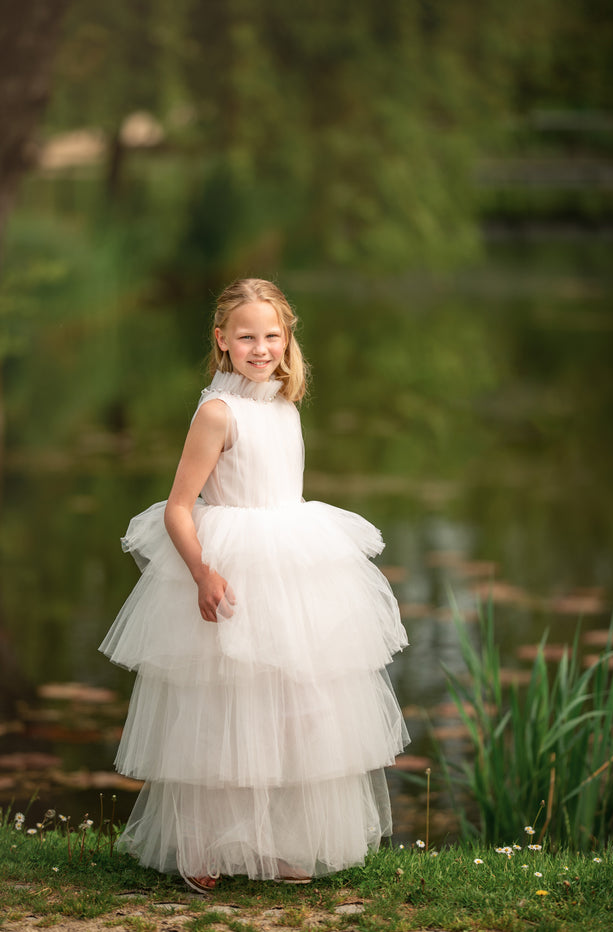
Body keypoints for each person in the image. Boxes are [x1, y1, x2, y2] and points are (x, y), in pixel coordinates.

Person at [100, 278, 409, 892]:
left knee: (293, 708)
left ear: (288, 340)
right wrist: (201, 572)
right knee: (220, 707)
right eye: (246, 336)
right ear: (222, 341)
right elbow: (178, 508)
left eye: (272, 335)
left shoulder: (283, 404)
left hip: (291, 564)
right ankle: (200, 846)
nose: (260, 347)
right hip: (231, 569)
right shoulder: (218, 412)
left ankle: (278, 842)